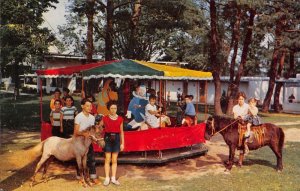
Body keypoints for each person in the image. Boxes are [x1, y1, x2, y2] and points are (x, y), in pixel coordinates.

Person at [73, 98, 101, 185]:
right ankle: (80, 177)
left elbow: (92, 130)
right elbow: (76, 132)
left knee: (92, 159)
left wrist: (95, 136)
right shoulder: (78, 117)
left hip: (88, 142)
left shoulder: (92, 117)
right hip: (79, 142)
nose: (90, 108)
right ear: (82, 106)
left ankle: (93, 177)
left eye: (91, 106)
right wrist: (85, 134)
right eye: (87, 106)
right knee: (79, 160)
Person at [100, 101, 124, 186]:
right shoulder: (105, 118)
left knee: (114, 160)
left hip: (116, 139)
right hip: (107, 138)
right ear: (109, 109)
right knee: (107, 159)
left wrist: (122, 143)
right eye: (112, 108)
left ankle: (113, 178)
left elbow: (121, 132)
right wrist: (101, 139)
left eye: (115, 108)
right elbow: (99, 129)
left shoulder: (120, 118)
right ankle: (107, 178)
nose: (113, 110)